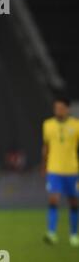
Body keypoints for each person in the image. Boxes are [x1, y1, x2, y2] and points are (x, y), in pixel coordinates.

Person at [42, 96, 79, 247]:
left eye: (61, 108)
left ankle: (74, 235)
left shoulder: (76, 125)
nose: (58, 110)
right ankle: (51, 233)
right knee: (53, 200)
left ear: (67, 109)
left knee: (74, 203)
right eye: (56, 108)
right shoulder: (47, 125)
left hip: (72, 170)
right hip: (54, 169)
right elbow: (46, 147)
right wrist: (44, 165)